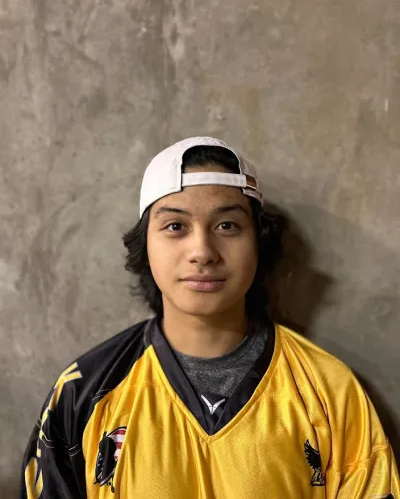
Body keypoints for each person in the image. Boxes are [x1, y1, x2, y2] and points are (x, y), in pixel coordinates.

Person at [21, 136, 399, 498]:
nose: (202, 251)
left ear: (259, 242)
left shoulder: (330, 391)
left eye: (227, 226)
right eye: (175, 226)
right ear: (145, 244)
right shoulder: (84, 393)